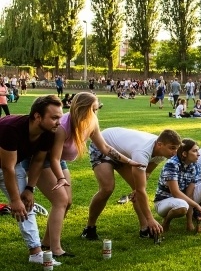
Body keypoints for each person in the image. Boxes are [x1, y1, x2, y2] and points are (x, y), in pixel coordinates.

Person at [30, 93, 146, 258]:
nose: (96, 112)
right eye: (94, 109)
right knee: (61, 201)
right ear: (83, 109)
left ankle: (47, 242)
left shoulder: (91, 122)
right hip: (43, 161)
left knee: (67, 202)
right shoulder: (63, 126)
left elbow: (105, 148)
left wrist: (129, 161)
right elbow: (54, 158)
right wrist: (61, 179)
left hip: (59, 161)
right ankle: (55, 249)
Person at [82, 128, 181, 241]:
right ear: (159, 144)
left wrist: (138, 188)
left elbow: (146, 172)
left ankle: (145, 229)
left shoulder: (162, 153)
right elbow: (141, 187)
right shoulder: (142, 152)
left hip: (124, 154)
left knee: (138, 189)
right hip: (103, 145)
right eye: (172, 148)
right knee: (107, 188)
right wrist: (151, 217)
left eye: (177, 148)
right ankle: (89, 228)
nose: (175, 152)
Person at [0, 95, 63, 265]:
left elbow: (37, 161)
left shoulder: (49, 133)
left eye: (60, 117)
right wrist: (14, 199)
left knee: (26, 204)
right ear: (37, 116)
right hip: (7, 165)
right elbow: (7, 167)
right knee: (18, 201)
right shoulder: (10, 129)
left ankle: (36, 253)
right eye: (54, 117)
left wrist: (29, 189)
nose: (59, 122)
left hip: (12, 165)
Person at [153, 138, 201, 233]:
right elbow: (175, 192)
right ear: (184, 154)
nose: (198, 154)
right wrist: (197, 206)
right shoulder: (172, 164)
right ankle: (166, 222)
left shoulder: (195, 166)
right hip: (164, 201)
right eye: (195, 151)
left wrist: (189, 222)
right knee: (182, 207)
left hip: (182, 200)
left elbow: (189, 194)